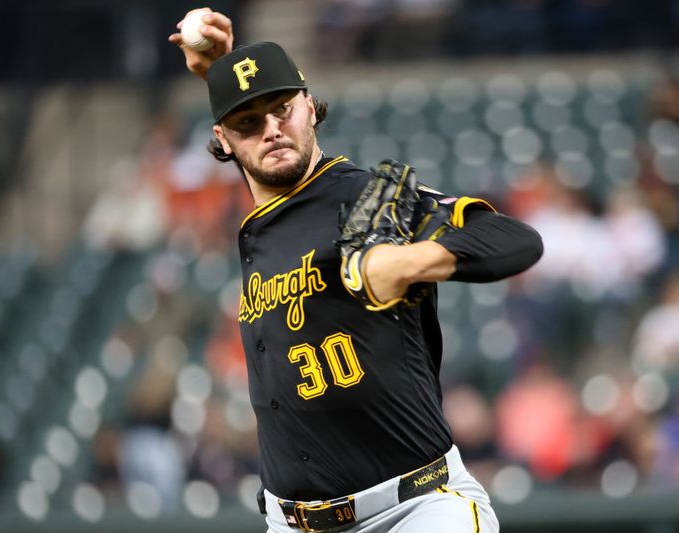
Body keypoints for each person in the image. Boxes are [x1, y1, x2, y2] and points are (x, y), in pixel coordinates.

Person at [169, 12, 542, 533]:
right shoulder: (262, 219)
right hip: (291, 523)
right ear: (223, 139)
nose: (272, 129)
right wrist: (225, 70)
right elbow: (258, 124)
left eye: (283, 109)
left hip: (414, 509)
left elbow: (516, 240)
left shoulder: (362, 198)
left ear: (310, 106)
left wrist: (407, 261)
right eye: (248, 123)